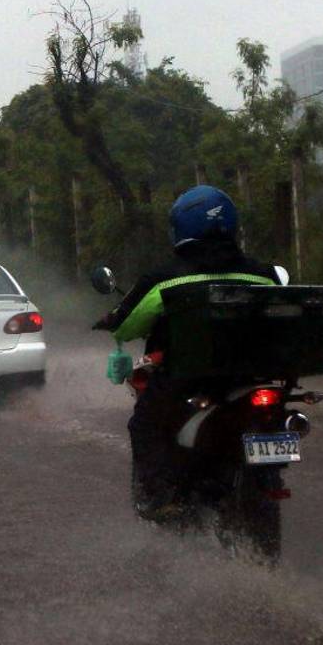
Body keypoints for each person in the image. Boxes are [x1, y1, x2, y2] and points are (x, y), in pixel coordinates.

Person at [94, 186, 278, 520]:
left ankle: (159, 496)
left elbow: (127, 325)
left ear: (183, 226)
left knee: (144, 425)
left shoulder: (164, 279)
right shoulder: (264, 275)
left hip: (187, 380)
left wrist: (112, 322)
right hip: (251, 377)